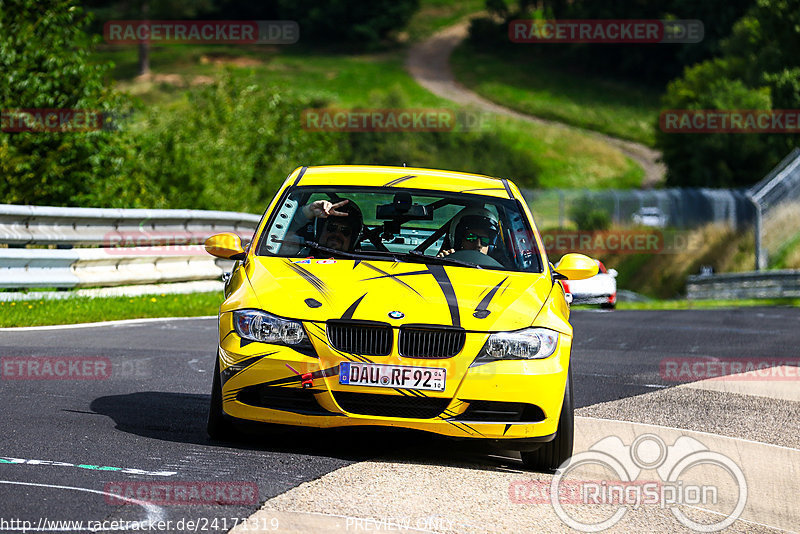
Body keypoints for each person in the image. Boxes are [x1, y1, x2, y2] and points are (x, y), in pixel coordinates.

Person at [298, 198, 363, 252]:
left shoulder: (365, 264)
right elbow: (288, 230)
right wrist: (308, 211)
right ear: (319, 230)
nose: (337, 234)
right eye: (331, 228)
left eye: (345, 231)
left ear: (353, 238)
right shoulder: (297, 253)